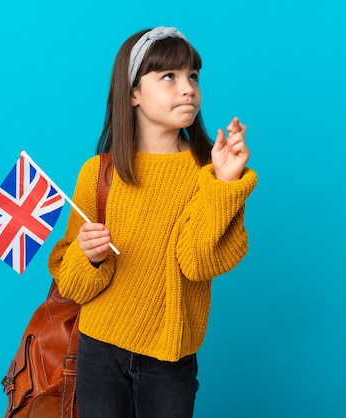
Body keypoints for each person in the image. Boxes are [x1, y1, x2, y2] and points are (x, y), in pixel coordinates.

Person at [47, 26, 258, 418]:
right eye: (169, 77)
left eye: (192, 76)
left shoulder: (210, 171)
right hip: (98, 351)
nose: (187, 88)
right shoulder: (99, 173)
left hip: (170, 358)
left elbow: (198, 263)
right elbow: (73, 285)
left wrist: (224, 185)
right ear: (132, 94)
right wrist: (88, 255)